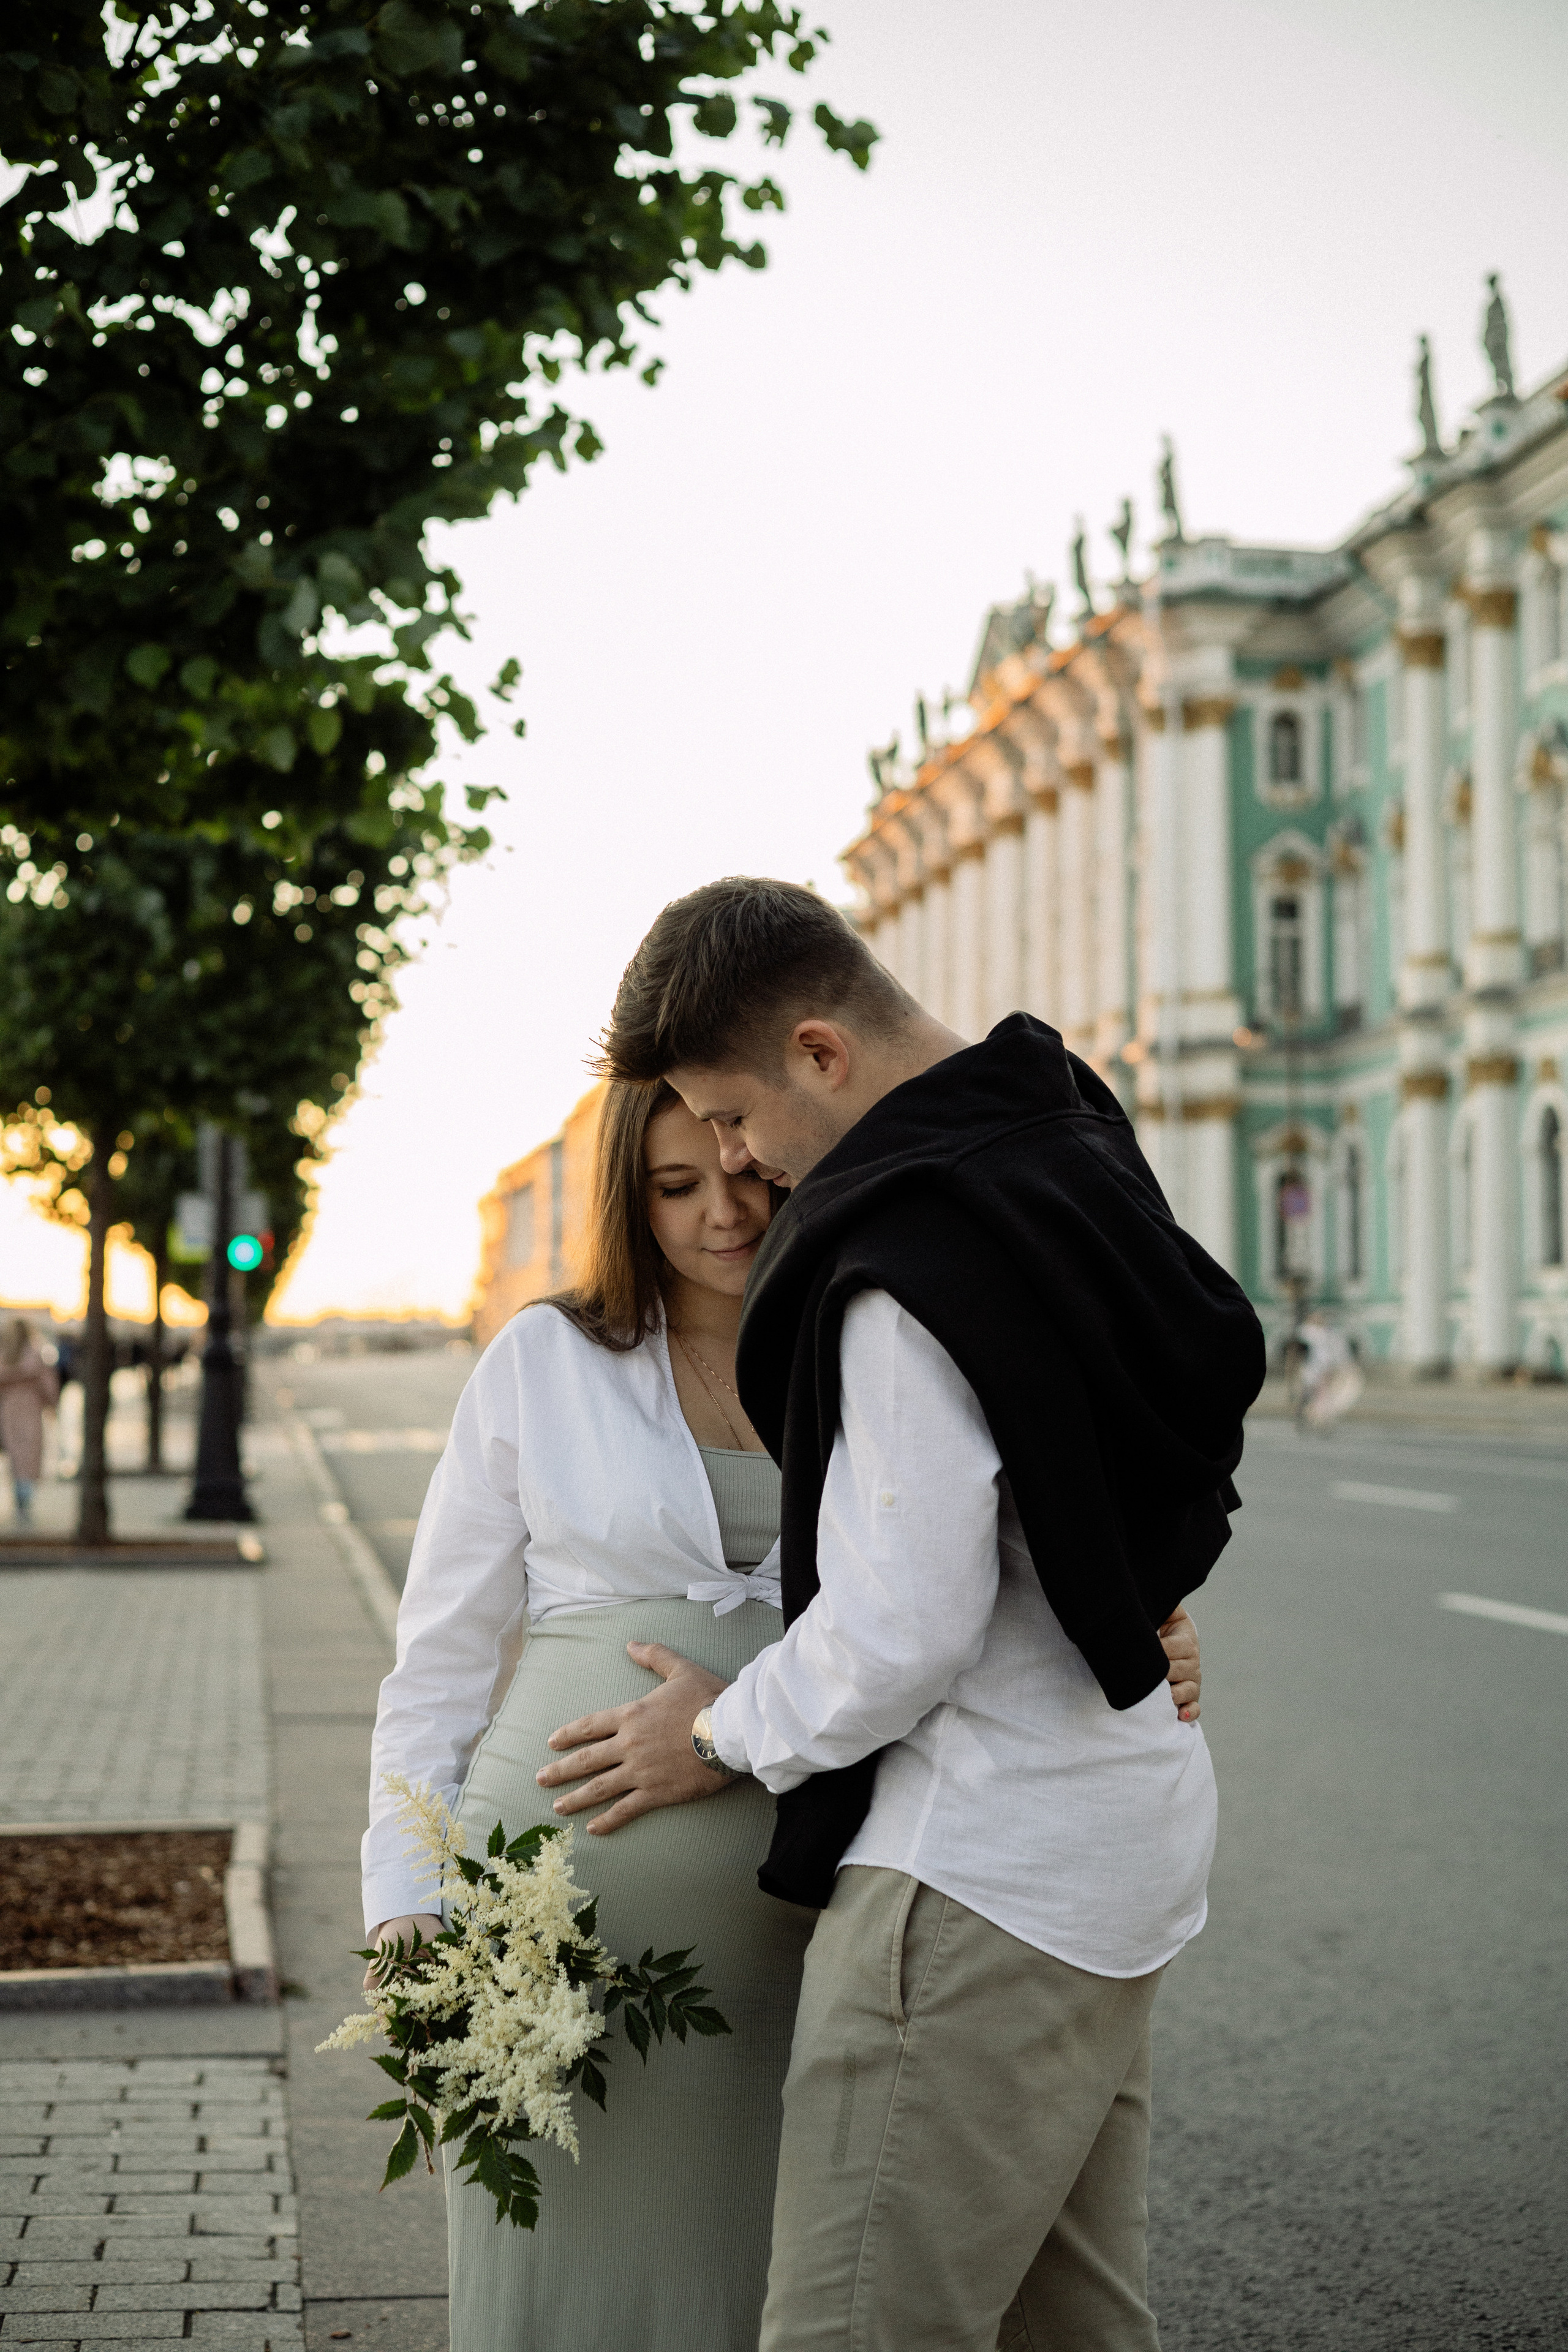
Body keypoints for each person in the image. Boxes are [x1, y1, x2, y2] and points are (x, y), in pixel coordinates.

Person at [363, 1075, 1205, 2352]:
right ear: (624, 1199)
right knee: (563, 2282)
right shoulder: (541, 1360)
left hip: (819, 1909)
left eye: (741, 1176)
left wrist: (1152, 1629)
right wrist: (403, 1904)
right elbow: (437, 1659)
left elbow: (1023, 1549)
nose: (720, 1215)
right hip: (558, 1930)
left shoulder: (879, 1334)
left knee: (803, 2276)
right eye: (672, 1187)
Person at [540, 876, 1263, 2352]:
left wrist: (717, 1731)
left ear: (819, 1052)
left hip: (974, 1881)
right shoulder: (1069, 1139)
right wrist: (1134, 1604)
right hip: (1120, 1842)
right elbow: (1141, 1446)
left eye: (732, 1115)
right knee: (1071, 2324)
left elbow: (900, 1622)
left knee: (851, 2328)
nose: (735, 1162)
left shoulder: (898, 1257)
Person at [0, 1317, 59, 1525]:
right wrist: (52, 1404)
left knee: (16, 1458)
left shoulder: (5, 1357)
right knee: (28, 1457)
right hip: (30, 1411)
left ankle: (20, 1500)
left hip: (8, 1411)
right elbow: (48, 1386)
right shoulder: (35, 1357)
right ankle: (24, 1502)